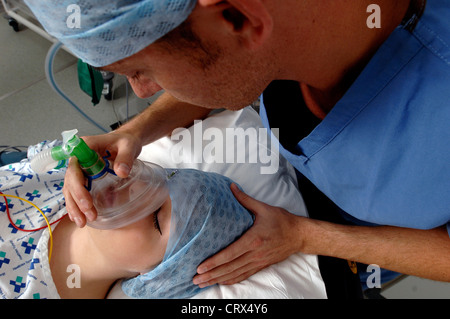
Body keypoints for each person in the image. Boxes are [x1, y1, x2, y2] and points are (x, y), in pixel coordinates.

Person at [24, 0, 450, 295]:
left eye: (139, 69)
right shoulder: (287, 30)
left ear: (236, 16)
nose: (140, 89)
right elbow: (229, 64)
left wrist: (304, 236)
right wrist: (137, 132)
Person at [0, 148, 253, 299]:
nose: (132, 187)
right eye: (159, 179)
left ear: (158, 274)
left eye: (156, 218)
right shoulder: (66, 172)